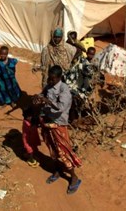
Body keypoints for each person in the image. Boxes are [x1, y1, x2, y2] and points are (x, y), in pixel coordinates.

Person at [35, 65, 82, 195]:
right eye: (49, 78)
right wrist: (38, 97)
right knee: (52, 150)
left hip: (58, 124)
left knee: (64, 152)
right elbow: (43, 93)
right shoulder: (49, 85)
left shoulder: (64, 89)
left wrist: (47, 102)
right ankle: (57, 170)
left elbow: (60, 107)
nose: (50, 81)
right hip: (47, 123)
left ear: (59, 77)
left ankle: (74, 177)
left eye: (52, 79)